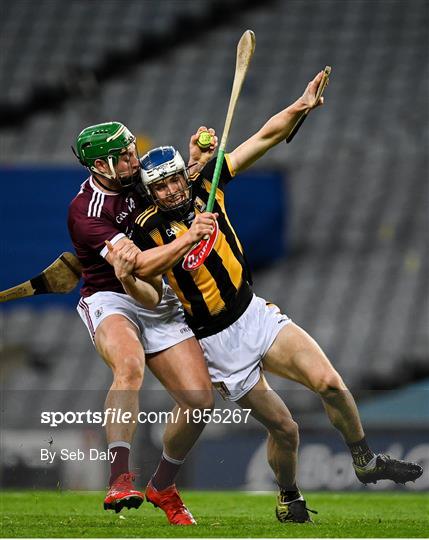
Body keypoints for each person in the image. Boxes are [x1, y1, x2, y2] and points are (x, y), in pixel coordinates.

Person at [110, 71, 423, 523]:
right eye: (161, 185)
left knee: (330, 383)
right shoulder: (145, 227)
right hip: (217, 342)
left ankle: (365, 460)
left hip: (254, 312)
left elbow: (264, 138)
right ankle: (289, 496)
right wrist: (172, 248)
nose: (173, 190)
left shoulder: (208, 185)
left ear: (184, 174)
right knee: (286, 429)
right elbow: (147, 283)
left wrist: (300, 106)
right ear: (150, 190)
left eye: (176, 179)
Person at [68, 121, 219, 525]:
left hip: (158, 292)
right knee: (130, 366)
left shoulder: (138, 179)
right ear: (101, 165)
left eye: (133, 149)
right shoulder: (86, 212)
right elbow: (133, 265)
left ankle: (164, 486)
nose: (136, 159)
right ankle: (119, 478)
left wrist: (194, 164)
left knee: (200, 402)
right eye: (127, 156)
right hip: (110, 295)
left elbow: (172, 190)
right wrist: (188, 239)